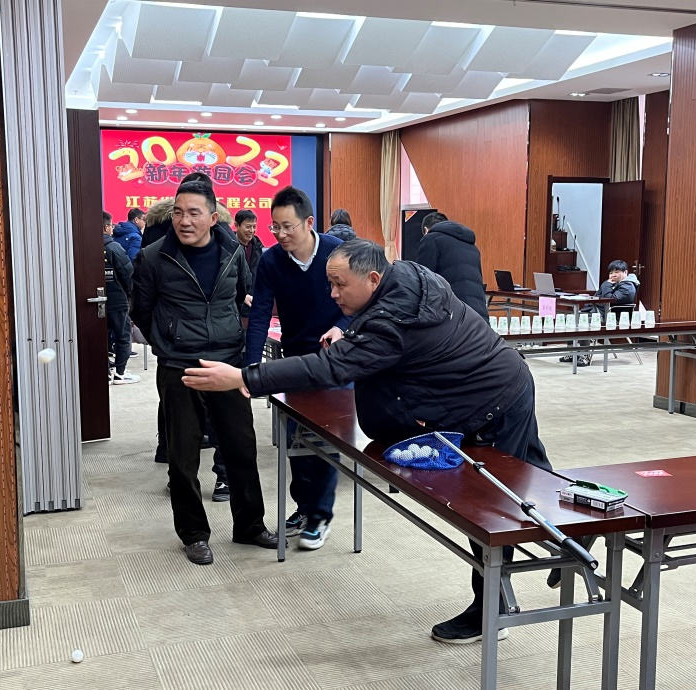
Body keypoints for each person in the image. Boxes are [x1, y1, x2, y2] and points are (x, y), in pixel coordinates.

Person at [183, 239, 551, 642]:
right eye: (330, 283)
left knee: (489, 507)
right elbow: (371, 333)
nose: (333, 293)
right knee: (531, 480)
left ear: (373, 278)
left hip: (493, 400)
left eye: (340, 285)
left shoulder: (393, 323)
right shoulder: (405, 276)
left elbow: (329, 369)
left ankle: (492, 611)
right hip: (497, 383)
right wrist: (347, 329)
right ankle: (563, 539)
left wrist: (244, 377)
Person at [131, 180, 281, 564]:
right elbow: (141, 311)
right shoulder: (153, 257)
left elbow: (241, 296)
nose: (184, 220)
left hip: (227, 362)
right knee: (183, 456)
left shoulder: (233, 252)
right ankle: (194, 533)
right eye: (178, 212)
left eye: (194, 213)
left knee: (241, 448)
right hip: (179, 366)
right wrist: (169, 344)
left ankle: (250, 525)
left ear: (213, 218)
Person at [245, 186, 351, 550]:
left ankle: (320, 516)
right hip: (294, 358)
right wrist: (252, 365)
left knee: (326, 437)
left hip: (336, 358)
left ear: (308, 222)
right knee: (295, 438)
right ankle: (304, 508)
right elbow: (260, 312)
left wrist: (342, 327)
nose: (280, 234)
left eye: (287, 226)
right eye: (274, 226)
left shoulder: (338, 252)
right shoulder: (272, 260)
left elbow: (365, 301)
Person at [562, 259, 640, 366]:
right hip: (599, 313)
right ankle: (572, 352)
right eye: (611, 273)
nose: (613, 275)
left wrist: (606, 284)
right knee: (570, 318)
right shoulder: (612, 284)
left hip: (613, 317)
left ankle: (584, 355)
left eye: (617, 272)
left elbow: (610, 299)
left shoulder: (628, 287)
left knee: (583, 321)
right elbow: (597, 296)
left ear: (625, 272)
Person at [415, 216, 488, 320]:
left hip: (453, 311)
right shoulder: (472, 246)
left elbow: (424, 279)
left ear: (426, 229)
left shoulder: (431, 239)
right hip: (478, 311)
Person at [103, 220, 139, 385]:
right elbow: (127, 273)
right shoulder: (114, 247)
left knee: (100, 337)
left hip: (94, 301)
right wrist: (129, 293)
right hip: (117, 300)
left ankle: (104, 373)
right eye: (111, 225)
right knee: (123, 336)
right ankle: (119, 374)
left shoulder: (86, 246)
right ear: (106, 227)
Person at [234, 209, 263, 281]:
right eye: (248, 227)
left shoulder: (257, 247)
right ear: (237, 225)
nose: (252, 230)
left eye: (254, 227)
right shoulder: (228, 245)